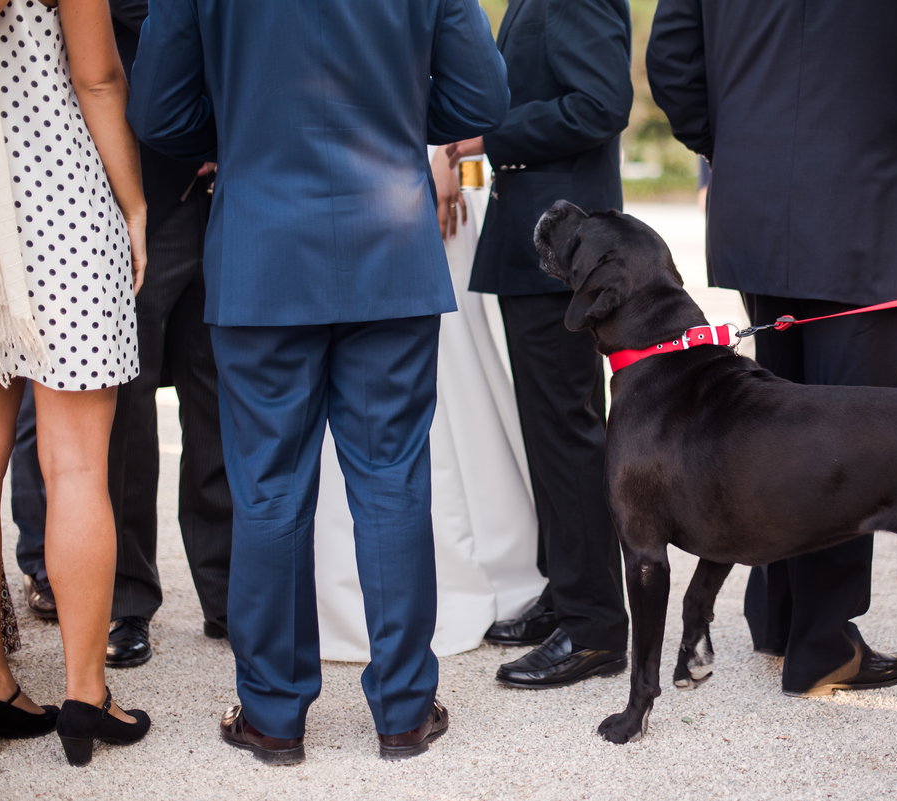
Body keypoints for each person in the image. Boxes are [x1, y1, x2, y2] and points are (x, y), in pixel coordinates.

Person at [127, 0, 510, 763]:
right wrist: (397, 111)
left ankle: (273, 715)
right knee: (393, 480)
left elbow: (158, 109)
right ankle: (403, 709)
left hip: (263, 248)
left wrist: (241, 125)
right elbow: (482, 99)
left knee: (267, 487)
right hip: (389, 247)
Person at [648, 0, 897, 697]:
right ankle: (822, 638)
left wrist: (735, 142)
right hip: (875, 197)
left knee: (772, 422)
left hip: (761, 199)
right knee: (855, 438)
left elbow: (671, 58)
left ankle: (778, 613)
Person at [5, 0, 232, 669]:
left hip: (220, 200)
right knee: (124, 424)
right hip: (129, 199)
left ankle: (226, 595)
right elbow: (105, 61)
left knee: (219, 407)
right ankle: (127, 606)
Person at [446, 0, 633, 690]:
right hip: (540, 243)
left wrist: (485, 136)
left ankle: (594, 630)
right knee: (551, 430)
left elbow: (600, 103)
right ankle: (569, 590)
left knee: (567, 431)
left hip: (567, 247)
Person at [0, 0, 151, 765]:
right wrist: (136, 203)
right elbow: (99, 78)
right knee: (78, 466)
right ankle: (88, 696)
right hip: (60, 204)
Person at [313, 146, 545, 661]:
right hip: (397, 166)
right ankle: (366, 592)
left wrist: (447, 152)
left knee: (451, 374)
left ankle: (404, 586)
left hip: (398, 173)